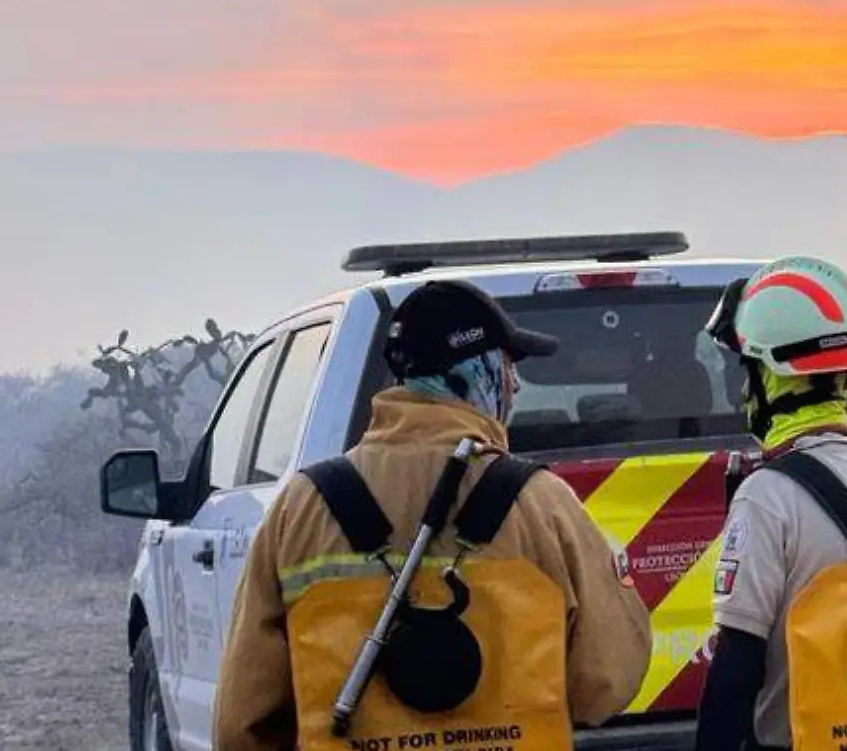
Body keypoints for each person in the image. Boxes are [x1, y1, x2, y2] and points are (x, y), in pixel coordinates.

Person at [213, 278, 653, 751]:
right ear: (471, 371)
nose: (516, 384)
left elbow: (244, 720)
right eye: (507, 365)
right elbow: (604, 681)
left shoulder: (300, 508)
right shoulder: (542, 503)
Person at [694, 256, 847, 751]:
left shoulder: (767, 498)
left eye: (750, 371)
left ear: (775, 376)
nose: (742, 392)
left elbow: (738, 662)